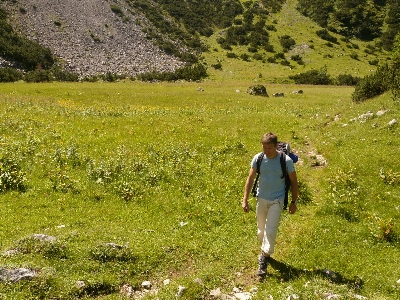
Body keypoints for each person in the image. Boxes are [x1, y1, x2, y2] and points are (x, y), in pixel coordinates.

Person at [242, 132, 299, 276]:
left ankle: (264, 260)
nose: (266, 151)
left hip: (277, 200)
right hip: (261, 198)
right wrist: (245, 199)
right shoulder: (258, 158)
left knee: (270, 229)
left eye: (269, 148)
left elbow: (294, 182)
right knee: (261, 230)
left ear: (276, 146)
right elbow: (250, 179)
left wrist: (293, 202)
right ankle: (265, 249)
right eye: (264, 148)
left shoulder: (285, 161)